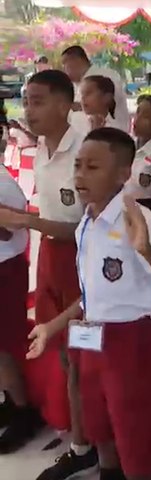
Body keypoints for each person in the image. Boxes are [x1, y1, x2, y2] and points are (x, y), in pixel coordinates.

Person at [27, 127, 151, 480]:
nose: (80, 175)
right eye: (79, 165)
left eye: (93, 167)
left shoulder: (139, 220)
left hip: (129, 341)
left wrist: (145, 250)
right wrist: (53, 325)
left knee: (134, 432)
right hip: (92, 333)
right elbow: (93, 294)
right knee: (99, 420)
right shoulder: (89, 220)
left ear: (122, 174)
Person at [0, 69, 98, 480]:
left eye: (38, 101)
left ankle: (88, 444)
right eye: (26, 101)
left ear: (64, 104)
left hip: (82, 261)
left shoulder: (87, 151)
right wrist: (32, 224)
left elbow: (89, 227)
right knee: (57, 347)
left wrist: (27, 223)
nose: (28, 110)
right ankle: (73, 431)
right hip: (51, 262)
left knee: (83, 354)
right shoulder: (41, 149)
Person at [0, 165, 43, 454]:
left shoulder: (4, 184)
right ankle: (10, 400)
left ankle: (24, 410)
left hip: (5, 271)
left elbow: (8, 230)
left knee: (4, 344)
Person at [60, 45, 129, 132]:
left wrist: (79, 106)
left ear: (76, 60)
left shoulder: (105, 75)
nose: (64, 69)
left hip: (112, 134)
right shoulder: (76, 84)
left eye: (64, 64)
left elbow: (107, 103)